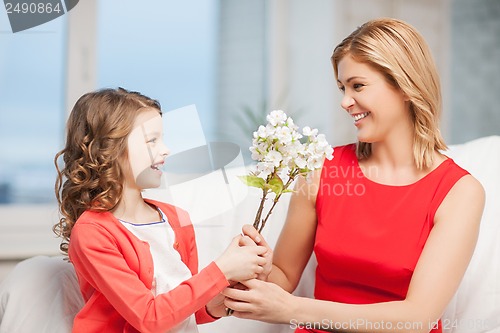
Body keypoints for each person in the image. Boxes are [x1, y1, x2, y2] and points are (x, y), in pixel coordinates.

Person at [223, 18, 485, 333]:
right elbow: (283, 275)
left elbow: (418, 318)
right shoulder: (321, 170)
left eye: (357, 86)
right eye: (342, 88)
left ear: (404, 85)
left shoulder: (459, 192)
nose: (346, 101)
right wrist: (259, 271)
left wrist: (292, 310)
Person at [53, 87, 269, 333]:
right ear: (108, 148)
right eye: (151, 140)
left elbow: (184, 307)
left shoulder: (176, 218)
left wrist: (224, 295)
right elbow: (149, 318)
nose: (166, 150)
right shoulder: (93, 232)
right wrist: (222, 269)